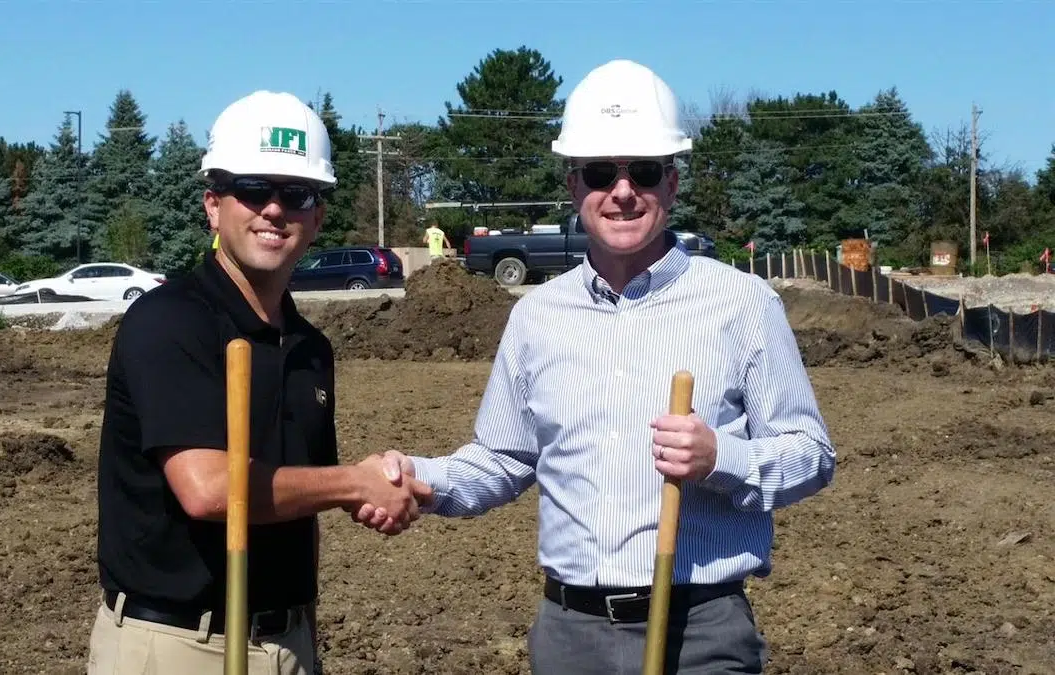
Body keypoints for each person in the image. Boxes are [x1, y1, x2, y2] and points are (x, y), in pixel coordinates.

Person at [352, 59, 836, 673]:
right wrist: (418, 478)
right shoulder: (537, 316)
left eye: (645, 172)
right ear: (575, 185)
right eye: (602, 173)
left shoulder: (742, 304)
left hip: (700, 634)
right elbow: (504, 459)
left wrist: (722, 459)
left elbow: (811, 454)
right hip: (572, 636)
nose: (623, 191)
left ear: (672, 184)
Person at [89, 89, 434, 675]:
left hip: (286, 641)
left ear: (317, 217)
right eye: (252, 189)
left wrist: (308, 637)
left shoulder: (309, 348)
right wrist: (356, 483)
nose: (274, 209)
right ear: (213, 205)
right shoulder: (170, 321)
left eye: (297, 194)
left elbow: (302, 506)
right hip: (176, 645)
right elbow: (208, 490)